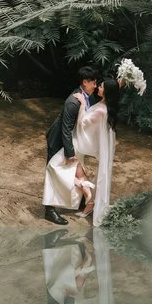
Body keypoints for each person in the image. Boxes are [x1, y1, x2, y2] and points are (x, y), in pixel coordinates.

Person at [42, 67, 98, 224]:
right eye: (93, 82)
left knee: (76, 170)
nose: (95, 85)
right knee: (53, 172)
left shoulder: (90, 98)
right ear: (85, 82)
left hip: (73, 140)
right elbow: (65, 129)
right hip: (58, 139)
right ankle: (49, 210)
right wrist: (69, 153)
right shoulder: (73, 101)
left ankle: (80, 201)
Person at [74, 77, 117, 227]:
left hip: (84, 140)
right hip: (96, 143)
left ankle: (90, 199)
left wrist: (83, 102)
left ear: (107, 92)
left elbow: (82, 123)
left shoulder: (100, 110)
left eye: (102, 86)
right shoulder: (105, 105)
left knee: (71, 163)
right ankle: (89, 199)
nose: (98, 87)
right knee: (74, 165)